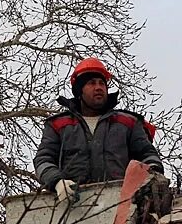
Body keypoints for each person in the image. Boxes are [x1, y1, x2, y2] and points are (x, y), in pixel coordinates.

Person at [34, 58, 164, 200]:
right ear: (79, 91)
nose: (99, 87)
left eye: (102, 83)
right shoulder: (58, 125)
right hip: (71, 206)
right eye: (91, 83)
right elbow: (43, 159)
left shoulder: (127, 122)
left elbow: (148, 155)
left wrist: (153, 176)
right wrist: (57, 182)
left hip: (122, 202)